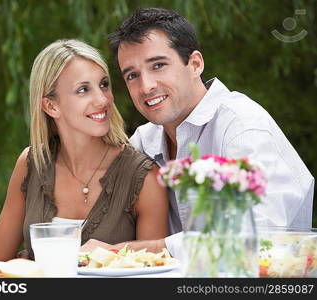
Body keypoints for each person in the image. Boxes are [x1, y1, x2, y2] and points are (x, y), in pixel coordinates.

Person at [81, 8, 314, 256]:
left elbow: (260, 237)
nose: (146, 86)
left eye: (158, 65)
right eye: (132, 75)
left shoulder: (242, 127)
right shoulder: (143, 141)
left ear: (195, 64)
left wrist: (136, 250)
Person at [0, 39, 170, 262]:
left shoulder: (145, 178)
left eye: (104, 85)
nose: (102, 100)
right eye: (83, 90)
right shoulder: (30, 164)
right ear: (51, 106)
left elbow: (155, 277)